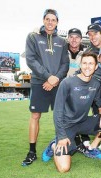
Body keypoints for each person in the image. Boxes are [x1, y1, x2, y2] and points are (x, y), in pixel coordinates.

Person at [41, 52, 101, 173]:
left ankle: (92, 147)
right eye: (84, 63)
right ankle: (53, 145)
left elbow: (100, 105)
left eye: (91, 63)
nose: (87, 66)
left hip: (83, 122)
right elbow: (57, 112)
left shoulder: (96, 84)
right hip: (67, 125)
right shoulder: (67, 82)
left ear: (96, 66)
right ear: (80, 65)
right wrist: (62, 136)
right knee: (64, 168)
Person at [22, 9, 69, 166]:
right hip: (39, 82)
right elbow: (31, 59)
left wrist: (55, 79)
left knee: (61, 115)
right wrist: (48, 77)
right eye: (47, 19)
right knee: (35, 116)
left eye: (53, 19)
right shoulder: (33, 37)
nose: (50, 22)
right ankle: (32, 151)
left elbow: (65, 63)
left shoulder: (62, 41)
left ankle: (60, 144)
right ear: (43, 20)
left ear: (57, 22)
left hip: (57, 83)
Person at [66, 28, 91, 153]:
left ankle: (83, 138)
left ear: (81, 39)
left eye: (77, 37)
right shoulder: (61, 51)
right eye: (71, 36)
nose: (74, 39)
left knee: (81, 112)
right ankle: (77, 140)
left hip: (81, 86)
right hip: (66, 88)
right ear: (68, 38)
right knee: (69, 115)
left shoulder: (86, 52)